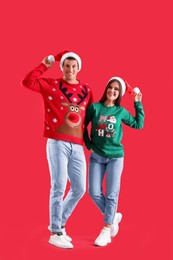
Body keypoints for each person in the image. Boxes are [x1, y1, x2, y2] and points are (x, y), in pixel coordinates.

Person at [22, 50, 94, 249]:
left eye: (73, 66)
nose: (70, 69)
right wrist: (47, 62)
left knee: (80, 188)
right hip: (57, 142)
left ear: (79, 68)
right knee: (59, 186)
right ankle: (55, 232)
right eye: (66, 66)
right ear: (61, 67)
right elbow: (27, 82)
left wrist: (90, 142)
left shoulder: (87, 90)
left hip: (78, 145)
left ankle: (59, 223)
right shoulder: (51, 85)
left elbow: (89, 117)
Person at [84, 76, 144, 247]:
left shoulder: (121, 111)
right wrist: (89, 145)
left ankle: (106, 229)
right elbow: (82, 126)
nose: (112, 91)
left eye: (116, 90)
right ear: (106, 89)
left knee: (112, 194)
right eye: (110, 87)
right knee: (94, 191)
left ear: (119, 94)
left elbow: (138, 124)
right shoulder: (95, 108)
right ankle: (113, 215)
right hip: (97, 156)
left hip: (115, 157)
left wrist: (137, 103)